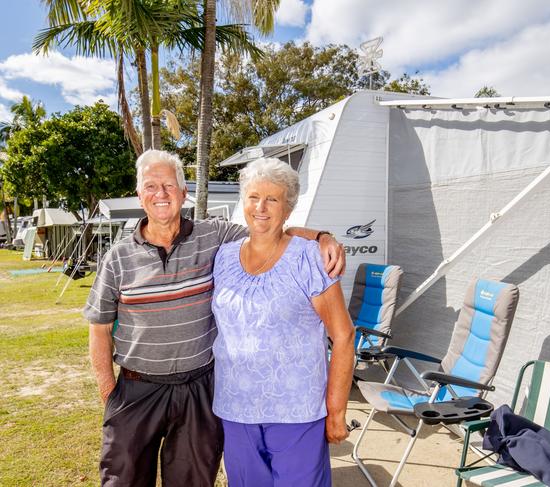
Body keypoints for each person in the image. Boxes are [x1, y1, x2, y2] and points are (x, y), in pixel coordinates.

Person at [83, 149, 345, 487]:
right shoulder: (117, 258)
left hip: (198, 390)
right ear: (139, 195)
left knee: (192, 480)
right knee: (123, 479)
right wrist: (110, 393)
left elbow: (268, 227)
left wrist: (322, 237)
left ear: (183, 192)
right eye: (150, 186)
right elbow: (100, 328)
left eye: (168, 185)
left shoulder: (216, 237)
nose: (160, 194)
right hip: (137, 389)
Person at [210, 157, 355, 486]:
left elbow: (344, 337)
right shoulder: (224, 255)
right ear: (243, 202)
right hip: (236, 409)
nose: (261, 207)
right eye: (253, 197)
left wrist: (337, 411)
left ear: (287, 208)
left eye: (272, 199)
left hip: (297, 413)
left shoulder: (308, 257)